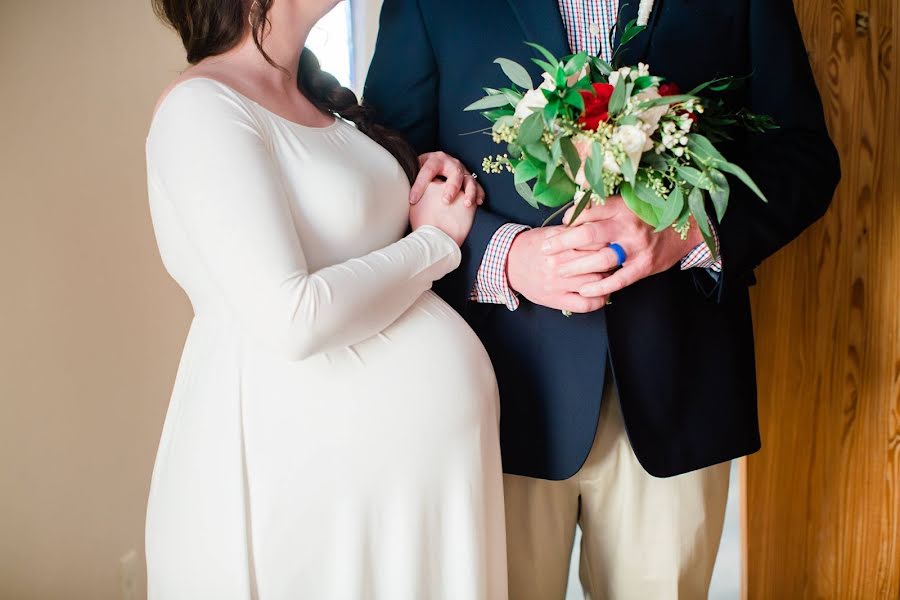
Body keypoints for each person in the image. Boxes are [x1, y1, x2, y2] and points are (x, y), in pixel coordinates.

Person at [365, 0, 841, 597]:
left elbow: (802, 157)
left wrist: (683, 233)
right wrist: (504, 256)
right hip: (497, 396)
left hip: (677, 387)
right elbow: (385, 166)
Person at [144, 0, 508, 598]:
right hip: (302, 485)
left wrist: (425, 183)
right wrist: (438, 242)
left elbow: (356, 237)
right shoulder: (202, 108)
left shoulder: (318, 102)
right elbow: (293, 317)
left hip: (409, 487)